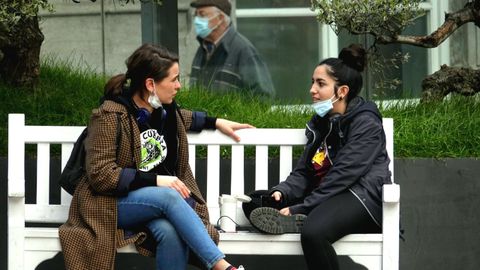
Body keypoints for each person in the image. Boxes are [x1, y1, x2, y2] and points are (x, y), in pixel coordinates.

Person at [59, 43, 250, 270]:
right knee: (168, 196)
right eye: (174, 79)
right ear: (150, 84)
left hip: (151, 205)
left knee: (170, 232)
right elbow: (100, 175)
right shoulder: (110, 116)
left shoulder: (164, 113)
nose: (179, 86)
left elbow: (184, 117)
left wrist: (215, 121)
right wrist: (157, 180)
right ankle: (223, 267)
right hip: (107, 203)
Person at [245, 44, 392, 270]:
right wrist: (282, 192)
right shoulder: (321, 124)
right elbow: (304, 171)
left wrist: (302, 207)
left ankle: (303, 219)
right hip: (329, 197)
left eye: (320, 84)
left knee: (313, 232)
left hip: (361, 197)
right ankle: (299, 217)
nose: (312, 89)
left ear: (342, 91)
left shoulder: (366, 123)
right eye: (312, 82)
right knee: (256, 203)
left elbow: (343, 174)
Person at [189, 0, 275, 98]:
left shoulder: (244, 50)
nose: (196, 20)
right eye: (195, 15)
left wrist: (237, 113)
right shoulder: (203, 49)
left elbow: (263, 96)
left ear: (220, 18)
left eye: (202, 15)